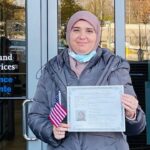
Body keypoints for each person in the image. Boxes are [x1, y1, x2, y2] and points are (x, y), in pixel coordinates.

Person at [28, 11, 146, 150]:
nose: (82, 36)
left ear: (97, 35)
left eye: (89, 31)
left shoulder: (115, 66)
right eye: (76, 30)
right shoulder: (52, 69)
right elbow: (36, 116)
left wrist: (131, 114)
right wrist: (51, 130)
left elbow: (137, 128)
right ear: (68, 34)